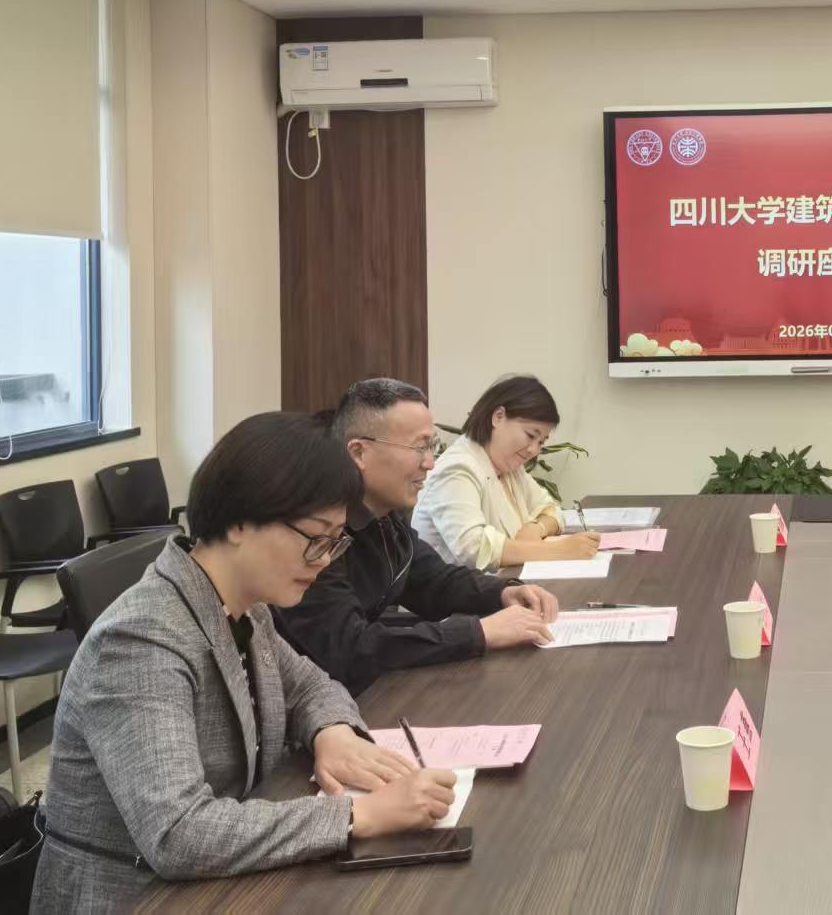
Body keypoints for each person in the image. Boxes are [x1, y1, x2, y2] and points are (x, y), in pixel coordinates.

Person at [33, 413, 458, 912]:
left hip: (211, 884)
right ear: (239, 522)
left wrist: (333, 733)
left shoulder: (244, 605)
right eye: (316, 538)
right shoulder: (140, 640)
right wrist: (356, 816)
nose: (325, 559)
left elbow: (310, 686)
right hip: (134, 898)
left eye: (336, 541)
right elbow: (178, 833)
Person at [272, 379, 560, 696]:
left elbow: (432, 580)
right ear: (359, 452)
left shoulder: (383, 518)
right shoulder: (315, 532)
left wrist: (503, 592)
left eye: (431, 447)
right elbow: (348, 649)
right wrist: (477, 633)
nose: (430, 463)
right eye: (419, 447)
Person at [414, 375, 600, 569]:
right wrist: (559, 551)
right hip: (457, 588)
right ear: (498, 416)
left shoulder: (509, 467)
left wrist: (536, 528)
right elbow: (475, 549)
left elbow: (551, 509)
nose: (533, 450)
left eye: (541, 442)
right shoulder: (456, 468)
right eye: (530, 435)